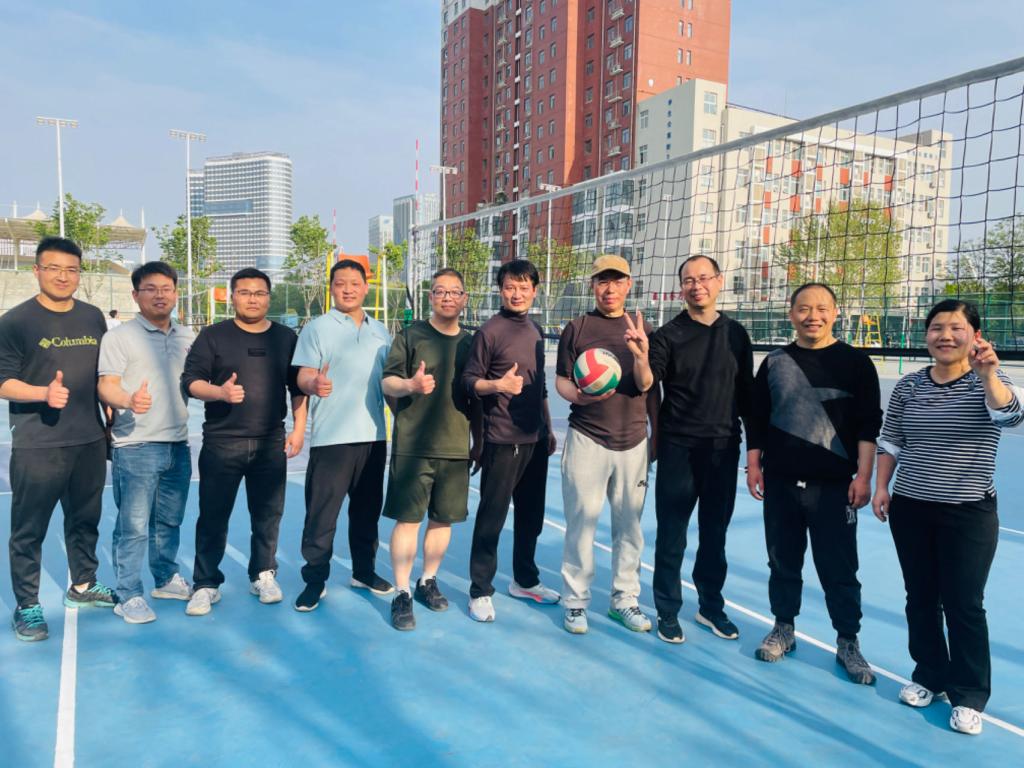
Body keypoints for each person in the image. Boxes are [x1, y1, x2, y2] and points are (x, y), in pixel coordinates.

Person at [872, 299, 1023, 735]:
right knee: (920, 597)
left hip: (967, 512)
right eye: (937, 327)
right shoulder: (909, 385)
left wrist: (988, 374)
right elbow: (891, 440)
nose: (945, 335)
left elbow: (1010, 416)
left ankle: (969, 695)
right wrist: (882, 486)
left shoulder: (989, 380)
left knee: (964, 603)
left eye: (956, 328)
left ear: (975, 336)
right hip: (911, 507)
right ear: (927, 336)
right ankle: (930, 675)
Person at [745, 282, 881, 684]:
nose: (813, 316)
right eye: (804, 308)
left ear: (836, 313)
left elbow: (869, 426)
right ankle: (783, 628)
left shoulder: (857, 363)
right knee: (782, 561)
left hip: (835, 487)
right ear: (791, 314)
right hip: (782, 482)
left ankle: (848, 641)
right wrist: (753, 465)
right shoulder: (775, 362)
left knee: (840, 568)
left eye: (822, 308)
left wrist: (864, 477)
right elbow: (757, 417)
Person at [0, 236, 115, 641]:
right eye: (53, 268)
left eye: (71, 269)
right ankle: (27, 605)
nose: (63, 276)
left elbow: (102, 374)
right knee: (28, 529)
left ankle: (83, 585)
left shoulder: (92, 317)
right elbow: (3, 382)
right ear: (37, 271)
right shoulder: (16, 322)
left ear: (79, 274)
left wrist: (111, 412)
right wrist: (42, 393)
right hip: (38, 443)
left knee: (85, 520)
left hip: (89, 440)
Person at [181, 268, 307, 616]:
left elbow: (297, 388)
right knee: (213, 516)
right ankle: (206, 583)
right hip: (222, 443)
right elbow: (191, 382)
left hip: (270, 442)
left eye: (260, 293)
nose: (253, 299)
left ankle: (263, 574)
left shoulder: (285, 337)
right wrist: (219, 392)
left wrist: (298, 429)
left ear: (269, 297)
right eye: (245, 292)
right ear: (232, 296)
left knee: (268, 515)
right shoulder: (213, 336)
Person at [648, 255, 753, 644]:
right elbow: (647, 382)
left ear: (719, 281)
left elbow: (747, 395)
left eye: (704, 278)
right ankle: (667, 609)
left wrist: (755, 453)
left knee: (715, 534)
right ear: (682, 288)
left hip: (723, 449)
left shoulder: (736, 334)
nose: (697, 286)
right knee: (671, 533)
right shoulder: (667, 335)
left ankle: (710, 606)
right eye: (689, 280)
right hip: (678, 447)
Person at [556, 254, 656, 635]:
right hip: (587, 437)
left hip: (633, 441)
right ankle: (575, 602)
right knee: (581, 523)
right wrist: (579, 396)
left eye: (617, 281)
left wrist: (641, 356)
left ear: (628, 285)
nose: (609, 288)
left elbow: (646, 385)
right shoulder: (577, 328)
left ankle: (624, 600)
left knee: (629, 527)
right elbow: (563, 381)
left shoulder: (642, 329)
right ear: (592, 285)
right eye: (602, 281)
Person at [291, 258, 393, 611]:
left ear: (366, 287)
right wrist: (313, 383)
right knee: (322, 516)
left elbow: (389, 383)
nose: (348, 289)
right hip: (331, 440)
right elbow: (303, 376)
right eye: (340, 283)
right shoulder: (317, 328)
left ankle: (364, 572)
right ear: (332, 288)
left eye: (354, 283)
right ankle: (315, 580)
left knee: (367, 513)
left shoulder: (381, 331)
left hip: (373, 437)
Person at [462, 259, 559, 622]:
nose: (516, 294)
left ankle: (525, 580)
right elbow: (469, 381)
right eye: (509, 287)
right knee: (492, 518)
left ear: (535, 290)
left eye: (523, 287)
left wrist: (548, 428)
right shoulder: (489, 332)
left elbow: (540, 386)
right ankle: (480, 590)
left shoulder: (536, 329)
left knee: (531, 517)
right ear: (500, 290)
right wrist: (498, 385)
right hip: (502, 440)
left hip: (535, 439)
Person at [98, 261, 195, 624]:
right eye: (150, 289)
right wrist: (128, 400)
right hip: (136, 445)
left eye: (166, 288)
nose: (159, 295)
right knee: (134, 526)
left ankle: (166, 578)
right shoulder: (119, 337)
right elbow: (106, 385)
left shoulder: (187, 337)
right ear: (135, 295)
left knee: (169, 520)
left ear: (176, 293)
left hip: (178, 444)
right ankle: (128, 594)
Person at [382, 268, 479, 631]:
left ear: (464, 298)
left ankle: (427, 581)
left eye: (455, 292)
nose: (447, 297)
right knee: (408, 520)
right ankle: (402, 591)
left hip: (455, 447)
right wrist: (411, 385)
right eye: (440, 291)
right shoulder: (411, 336)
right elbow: (387, 382)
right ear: (430, 297)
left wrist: (479, 440)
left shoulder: (472, 343)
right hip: (414, 446)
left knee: (442, 519)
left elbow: (478, 395)